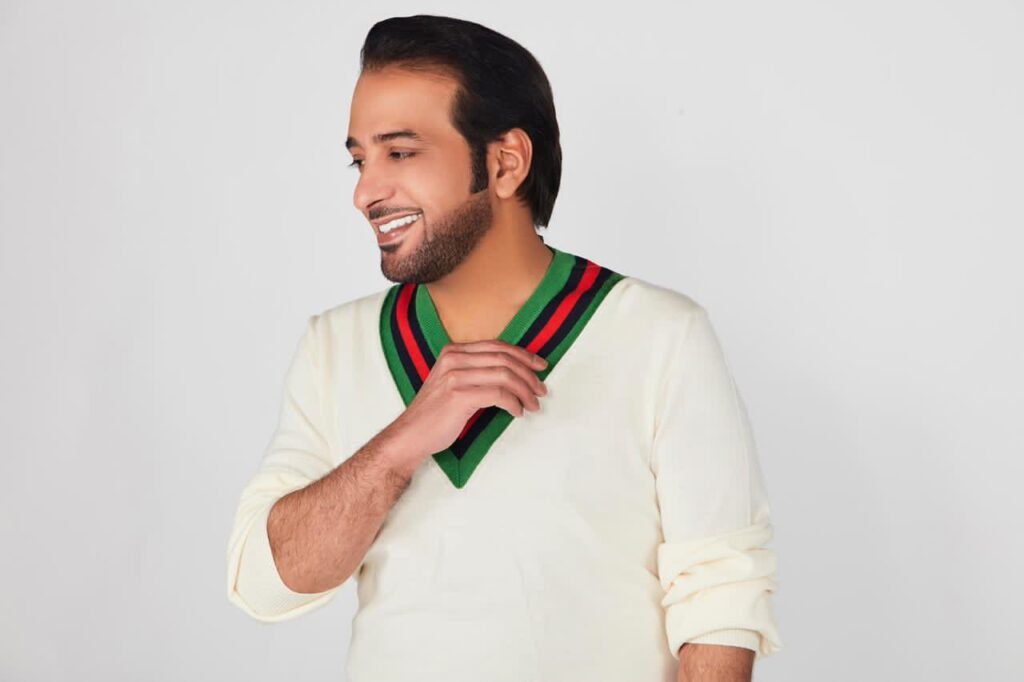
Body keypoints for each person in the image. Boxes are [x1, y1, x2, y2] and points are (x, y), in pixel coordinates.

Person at [226, 14, 782, 682]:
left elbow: (720, 594)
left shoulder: (661, 334)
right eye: (360, 159)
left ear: (504, 162)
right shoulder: (333, 347)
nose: (365, 191)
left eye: (400, 153)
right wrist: (404, 440)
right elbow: (265, 583)